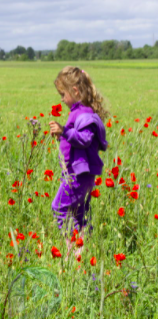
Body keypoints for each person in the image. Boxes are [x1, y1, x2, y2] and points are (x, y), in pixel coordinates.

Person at [49, 66, 109, 254]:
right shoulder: (80, 111)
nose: (62, 99)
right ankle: (81, 249)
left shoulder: (84, 114)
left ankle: (71, 247)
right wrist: (62, 136)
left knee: (59, 208)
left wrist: (63, 131)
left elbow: (85, 139)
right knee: (78, 214)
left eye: (63, 94)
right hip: (78, 174)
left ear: (74, 91)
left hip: (77, 175)